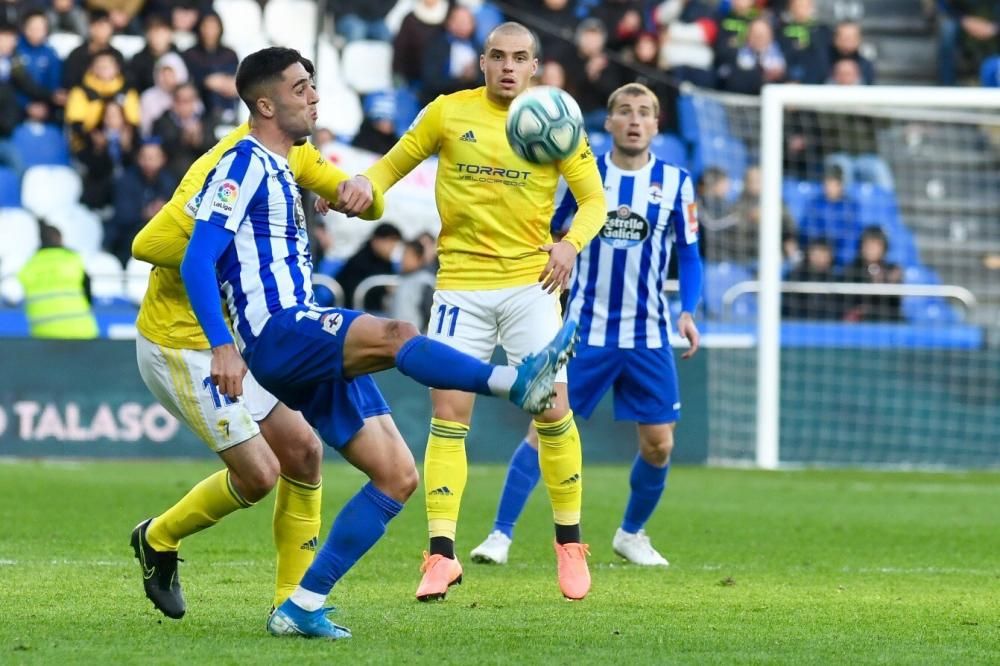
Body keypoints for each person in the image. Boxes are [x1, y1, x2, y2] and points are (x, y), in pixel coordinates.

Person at [177, 46, 576, 639]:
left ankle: (302, 605)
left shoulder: (286, 166)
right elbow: (195, 259)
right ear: (264, 103)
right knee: (396, 334)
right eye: (299, 87)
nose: (313, 95)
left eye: (312, 84)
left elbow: (359, 192)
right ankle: (514, 382)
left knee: (397, 475)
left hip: (301, 334)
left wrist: (351, 193)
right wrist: (222, 346)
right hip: (279, 332)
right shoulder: (241, 164)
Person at [338, 21, 607, 602]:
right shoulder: (446, 113)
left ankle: (569, 542)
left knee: (552, 408)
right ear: (482, 62)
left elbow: (594, 201)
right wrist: (364, 184)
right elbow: (392, 165)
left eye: (520, 58)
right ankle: (440, 554)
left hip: (531, 284)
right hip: (460, 286)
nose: (509, 66)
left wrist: (570, 244)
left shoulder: (556, 121)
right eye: (498, 56)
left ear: (535, 66)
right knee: (449, 415)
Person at [469, 82, 703, 568]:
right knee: (543, 430)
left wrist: (689, 308)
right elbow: (554, 233)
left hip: (648, 335)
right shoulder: (586, 176)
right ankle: (499, 535)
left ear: (657, 125)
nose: (635, 120)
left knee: (659, 444)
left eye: (644, 112)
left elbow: (690, 255)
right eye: (624, 111)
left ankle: (632, 533)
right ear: (610, 123)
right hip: (583, 332)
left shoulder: (677, 183)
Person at [18, 222, 99, 339]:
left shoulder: (28, 267)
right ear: (60, 239)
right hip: (80, 332)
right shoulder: (73, 260)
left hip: (43, 335)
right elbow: (88, 293)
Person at [335, 222, 402, 311]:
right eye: (390, 242)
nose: (392, 248)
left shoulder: (386, 262)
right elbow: (351, 293)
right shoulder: (358, 262)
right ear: (377, 240)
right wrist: (383, 289)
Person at [841, 225, 902, 322]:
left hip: (886, 321)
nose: (871, 249)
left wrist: (889, 284)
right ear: (861, 247)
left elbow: (895, 304)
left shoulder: (892, 270)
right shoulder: (851, 270)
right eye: (868, 244)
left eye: (876, 244)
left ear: (884, 248)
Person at [782, 237, 841, 320]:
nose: (819, 258)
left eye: (824, 253)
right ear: (809, 254)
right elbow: (788, 309)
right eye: (816, 253)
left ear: (831, 256)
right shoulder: (795, 277)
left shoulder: (838, 279)